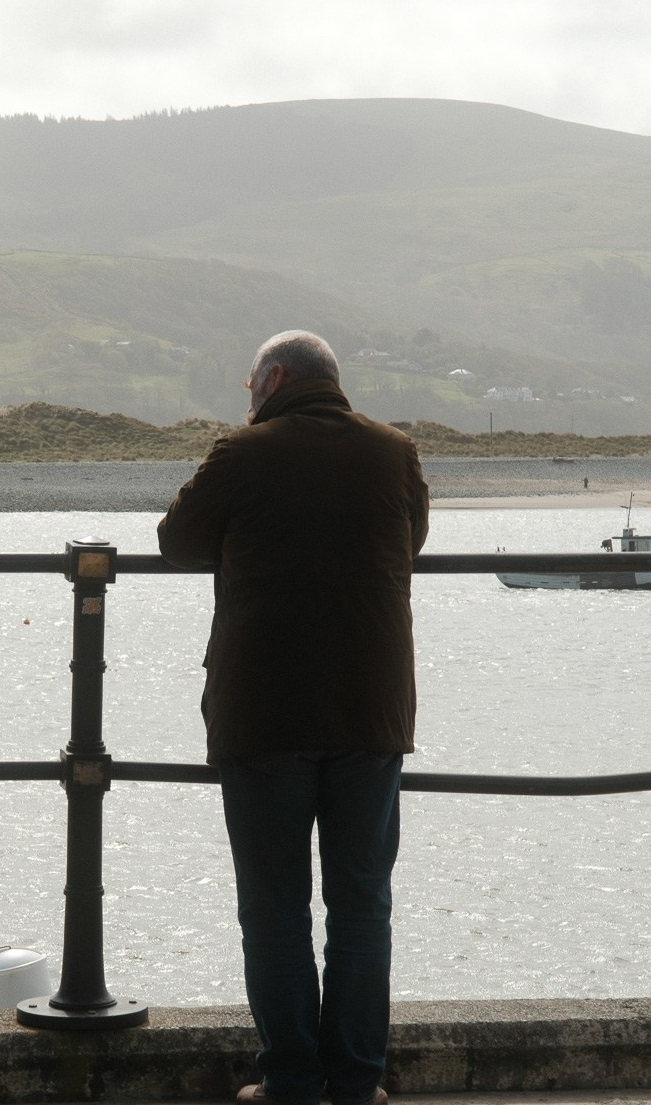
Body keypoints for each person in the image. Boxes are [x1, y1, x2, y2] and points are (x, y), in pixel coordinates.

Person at [156, 331, 429, 1105]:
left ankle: (289, 1084)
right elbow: (410, 541)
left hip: (263, 713)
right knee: (361, 903)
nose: (247, 397)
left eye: (250, 384)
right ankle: (357, 1083)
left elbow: (177, 544)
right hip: (371, 711)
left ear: (274, 379)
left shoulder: (242, 453)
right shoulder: (394, 451)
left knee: (275, 907)